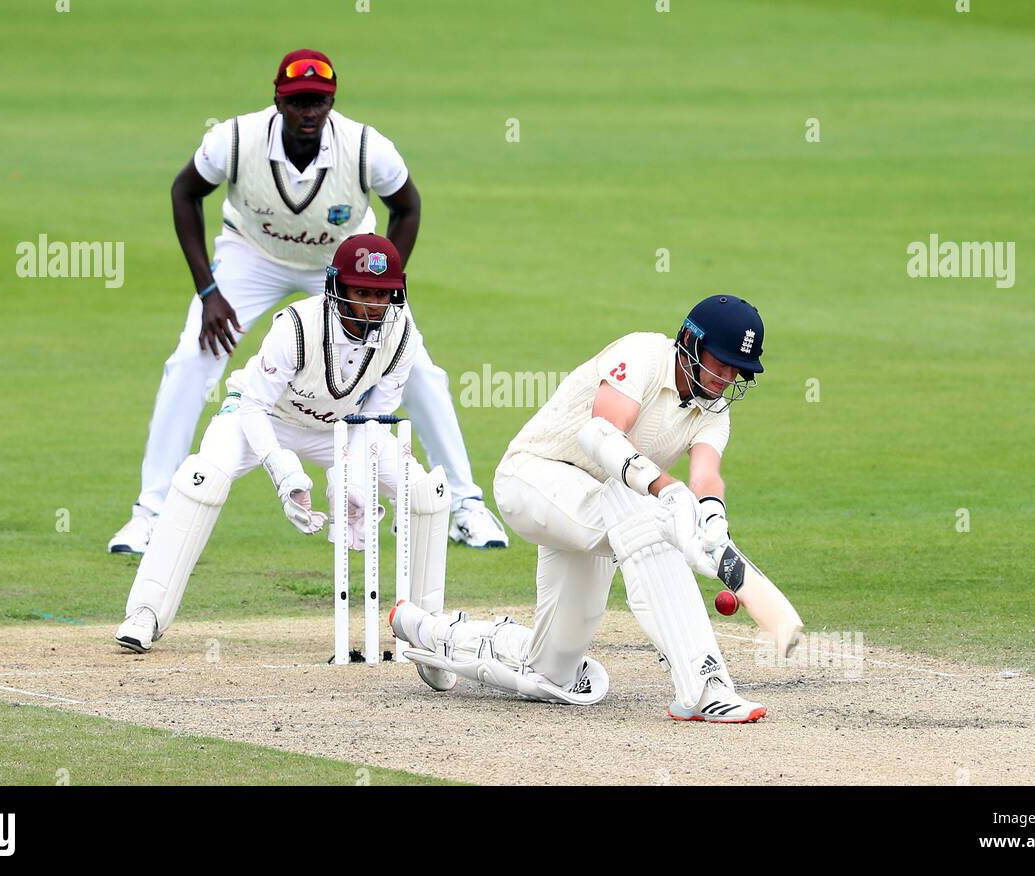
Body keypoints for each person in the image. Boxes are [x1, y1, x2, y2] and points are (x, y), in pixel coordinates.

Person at [108, 48, 507, 556]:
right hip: (251, 255)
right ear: (277, 99)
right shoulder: (232, 139)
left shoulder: (366, 147)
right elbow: (184, 193)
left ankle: (465, 506)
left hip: (343, 263)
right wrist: (208, 291)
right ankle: (151, 513)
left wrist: (381, 287)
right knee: (192, 358)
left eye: (318, 102)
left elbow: (406, 207)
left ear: (332, 101)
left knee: (421, 370)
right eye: (297, 102)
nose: (308, 112)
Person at [390, 295, 804, 722]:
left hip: (601, 509)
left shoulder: (714, 409)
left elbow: (706, 477)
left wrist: (712, 516)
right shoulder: (641, 353)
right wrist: (668, 491)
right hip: (532, 479)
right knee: (651, 519)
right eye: (721, 362)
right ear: (690, 341)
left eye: (739, 369)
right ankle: (705, 686)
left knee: (552, 672)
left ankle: (430, 632)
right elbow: (601, 434)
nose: (727, 377)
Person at [115, 235, 450, 652]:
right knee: (202, 480)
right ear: (336, 288)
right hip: (264, 418)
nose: (372, 306)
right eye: (361, 292)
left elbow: (373, 419)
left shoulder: (403, 338)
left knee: (426, 493)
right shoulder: (295, 325)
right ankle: (146, 613)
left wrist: (352, 480)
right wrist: (282, 469)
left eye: (383, 295)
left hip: (344, 428)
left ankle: (430, 630)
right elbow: (254, 405)